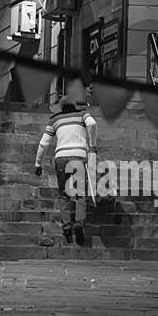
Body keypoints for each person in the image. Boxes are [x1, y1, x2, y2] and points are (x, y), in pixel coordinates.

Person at [34, 96, 97, 245]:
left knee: (64, 194)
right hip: (79, 157)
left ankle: (67, 226)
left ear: (61, 107)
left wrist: (38, 163)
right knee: (80, 194)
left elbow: (43, 143)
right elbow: (93, 124)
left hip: (61, 158)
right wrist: (92, 144)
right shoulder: (83, 114)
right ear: (74, 105)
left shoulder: (54, 119)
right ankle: (79, 224)